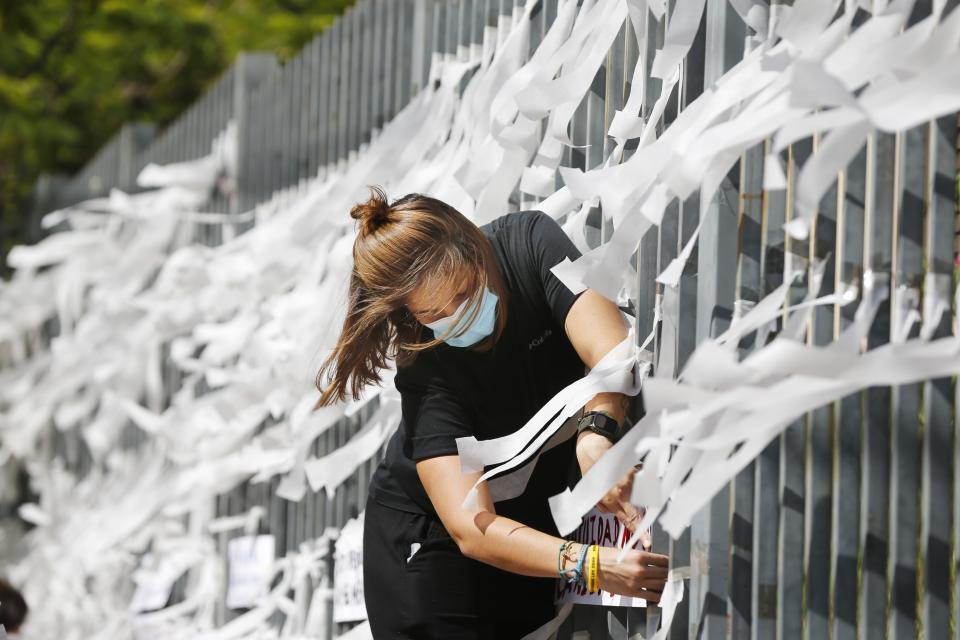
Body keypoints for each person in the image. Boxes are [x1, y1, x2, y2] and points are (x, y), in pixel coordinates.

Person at [315, 186, 668, 639]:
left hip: (524, 528)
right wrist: (590, 565)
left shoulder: (529, 243)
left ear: (474, 244)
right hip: (434, 549)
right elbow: (471, 528)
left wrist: (595, 433)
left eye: (464, 293)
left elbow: (609, 350)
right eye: (436, 314)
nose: (459, 318)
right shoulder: (426, 372)